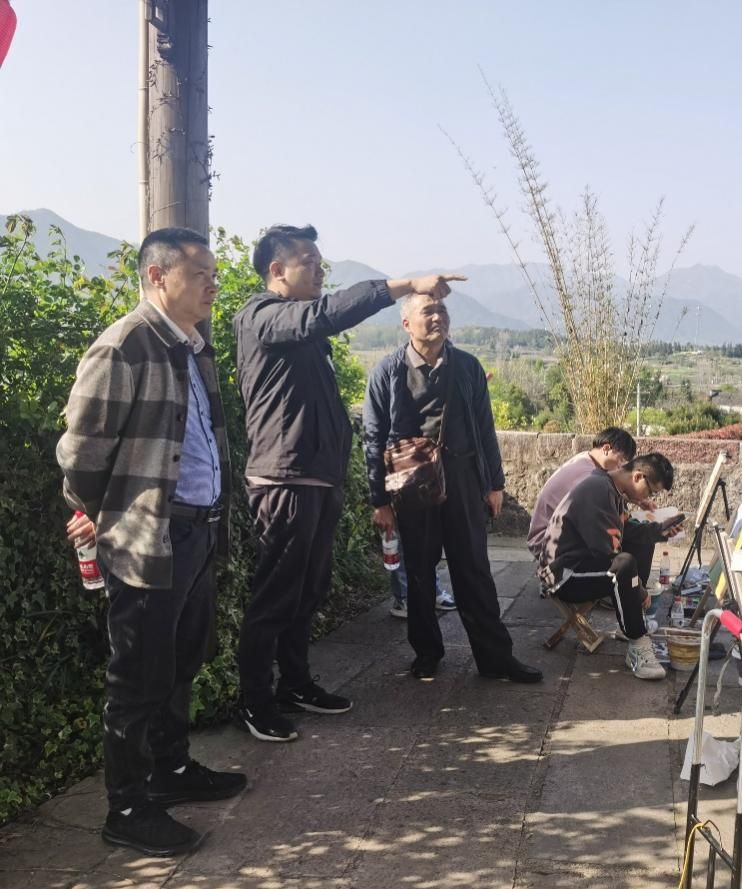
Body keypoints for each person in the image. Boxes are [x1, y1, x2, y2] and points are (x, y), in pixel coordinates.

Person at [233, 224, 463, 741]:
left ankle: (294, 683)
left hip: (317, 479)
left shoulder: (300, 331)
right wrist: (406, 285)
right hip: (283, 479)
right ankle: (255, 701)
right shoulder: (261, 316)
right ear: (277, 270)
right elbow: (325, 314)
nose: (319, 271)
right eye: (309, 262)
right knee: (275, 594)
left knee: (308, 589)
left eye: (321, 262)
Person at [57, 227, 246, 856]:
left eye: (214, 275)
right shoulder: (124, 345)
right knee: (137, 675)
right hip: (148, 538)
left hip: (196, 531)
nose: (212, 285)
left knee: (180, 660)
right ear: (158, 277)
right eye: (200, 274)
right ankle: (128, 807)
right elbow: (80, 453)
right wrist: (102, 511)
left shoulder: (193, 347)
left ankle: (171, 769)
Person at [363, 292, 543, 684]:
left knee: (474, 570)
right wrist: (380, 500)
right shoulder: (388, 371)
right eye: (427, 311)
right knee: (420, 573)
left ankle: (496, 658)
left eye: (442, 310)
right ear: (406, 323)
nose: (438, 316)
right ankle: (427, 653)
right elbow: (373, 440)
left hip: (463, 479)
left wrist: (495, 484)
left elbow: (485, 428)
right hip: (412, 485)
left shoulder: (466, 366)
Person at [536, 453, 679, 681]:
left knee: (644, 542)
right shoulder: (598, 491)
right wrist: (639, 590)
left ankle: (630, 620)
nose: (648, 498)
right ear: (638, 477)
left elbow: (625, 530)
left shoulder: (611, 488)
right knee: (624, 565)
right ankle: (638, 645)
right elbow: (608, 553)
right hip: (563, 575)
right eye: (651, 492)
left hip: (583, 562)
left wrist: (660, 531)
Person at [526, 426, 638, 560]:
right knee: (616, 545)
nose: (621, 467)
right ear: (606, 449)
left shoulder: (587, 459)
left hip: (556, 535)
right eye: (621, 460)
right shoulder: (587, 473)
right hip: (545, 542)